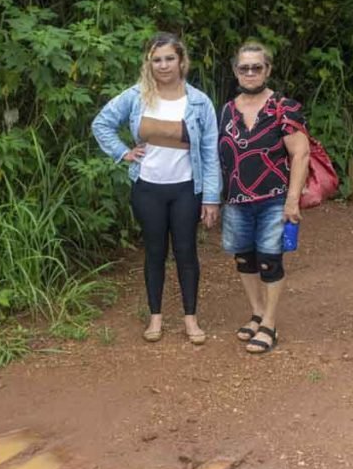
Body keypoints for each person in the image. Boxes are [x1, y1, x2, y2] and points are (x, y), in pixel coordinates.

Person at [92, 32, 221, 344]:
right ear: (148, 63)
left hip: (186, 189)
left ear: (181, 61)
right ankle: (155, 318)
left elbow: (210, 150)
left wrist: (212, 198)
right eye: (157, 59)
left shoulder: (199, 102)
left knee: (186, 251)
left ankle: (191, 319)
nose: (163, 65)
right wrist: (123, 152)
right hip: (147, 188)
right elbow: (101, 123)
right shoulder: (137, 96)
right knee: (154, 251)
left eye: (169, 58)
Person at [218, 41, 310, 354]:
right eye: (244, 67)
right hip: (237, 199)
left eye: (257, 67)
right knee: (244, 258)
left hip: (274, 198)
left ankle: (269, 324)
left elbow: (300, 154)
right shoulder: (228, 110)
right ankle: (257, 312)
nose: (250, 73)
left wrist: (292, 200)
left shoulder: (285, 108)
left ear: (267, 69)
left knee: (270, 259)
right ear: (235, 71)